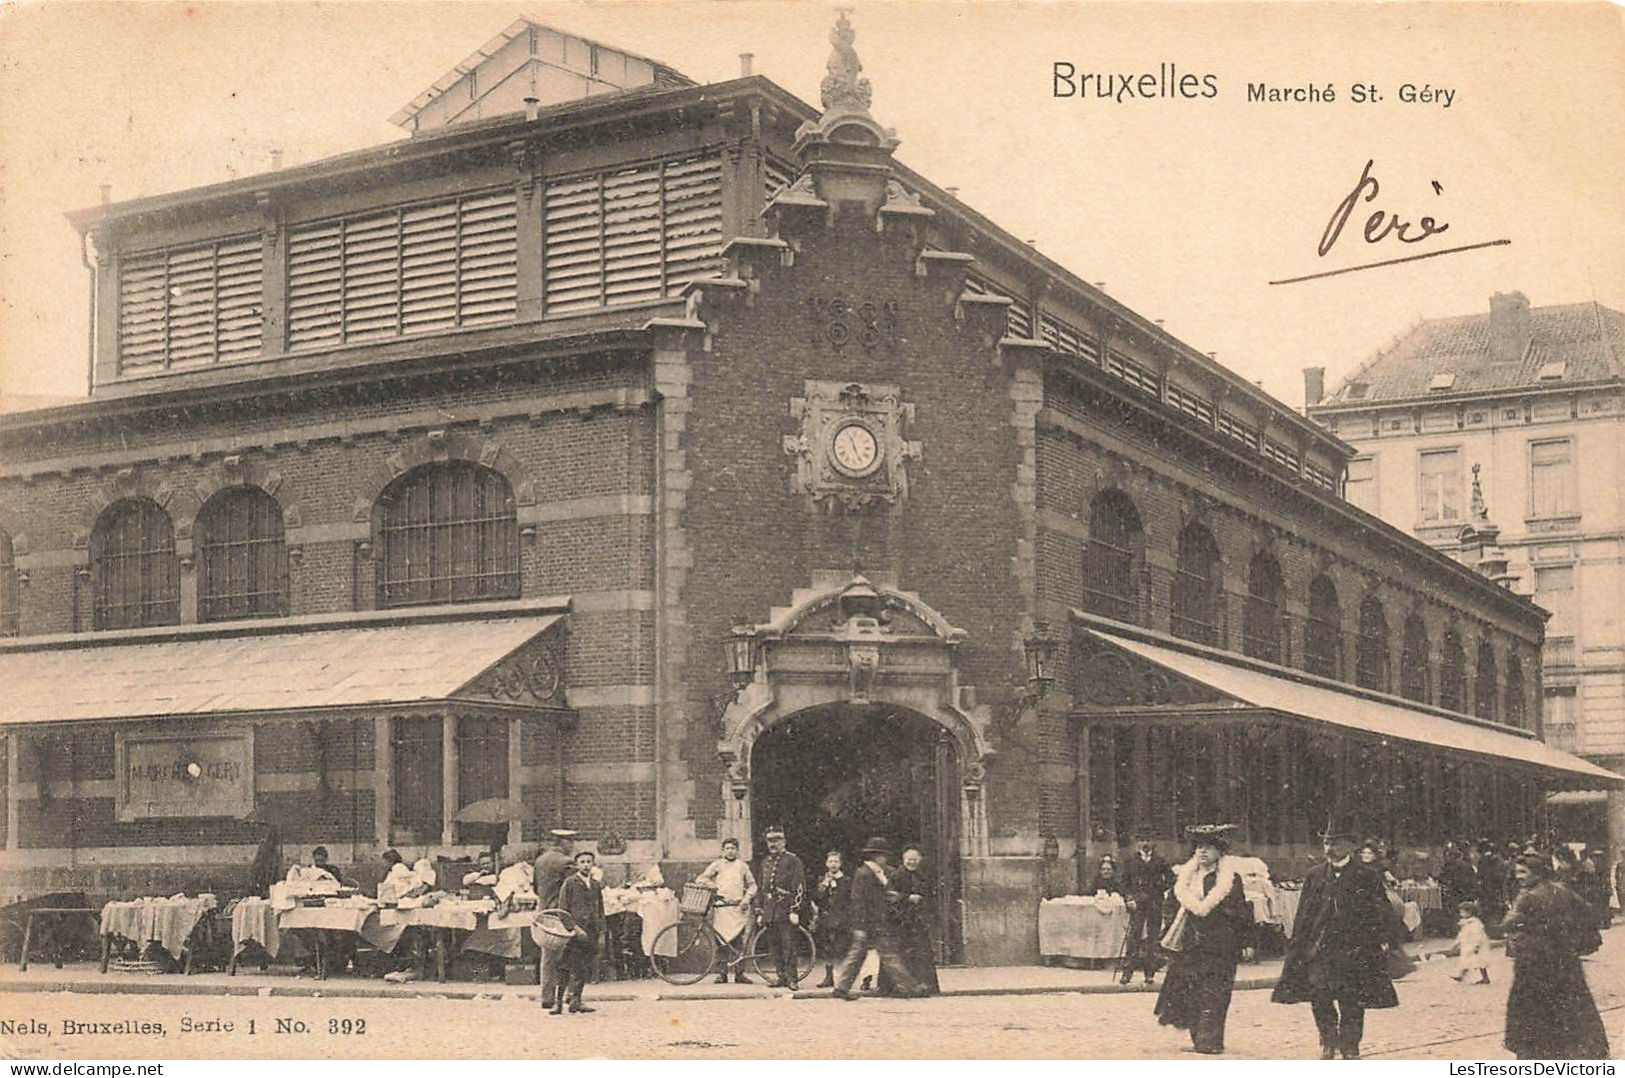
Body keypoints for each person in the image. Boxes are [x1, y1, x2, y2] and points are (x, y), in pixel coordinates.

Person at [1271, 826, 1400, 1060]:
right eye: (1327, 844)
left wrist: (1381, 940)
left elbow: (1381, 911)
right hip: (1320, 950)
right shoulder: (1315, 874)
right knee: (1320, 995)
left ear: (1350, 846)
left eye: (1336, 844)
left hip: (1355, 950)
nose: (1330, 849)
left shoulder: (1367, 875)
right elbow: (1304, 913)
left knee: (1351, 1000)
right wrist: (1297, 944)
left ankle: (1350, 1045)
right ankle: (1328, 1041)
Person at [1153, 824, 1253, 1055]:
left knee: (1216, 993)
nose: (1202, 852)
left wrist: (1246, 942)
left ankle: (1211, 1041)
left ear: (1220, 852)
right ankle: (1199, 1038)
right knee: (1192, 992)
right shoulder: (1185, 879)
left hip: (1220, 946)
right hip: (1190, 945)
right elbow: (1171, 907)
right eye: (1198, 847)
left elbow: (1242, 912)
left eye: (1208, 848)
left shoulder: (1228, 880)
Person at [1502, 851, 1609, 1059]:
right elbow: (1589, 914)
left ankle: (1540, 1055)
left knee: (1535, 1011)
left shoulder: (1528, 897)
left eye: (1523, 872)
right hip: (1565, 961)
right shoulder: (1564, 891)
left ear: (1537, 873)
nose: (1519, 876)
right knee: (1570, 1006)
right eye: (1517, 872)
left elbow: (1508, 924)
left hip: (1534, 964)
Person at [832, 836, 925, 1000]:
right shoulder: (864, 874)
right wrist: (860, 927)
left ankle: (841, 987)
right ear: (876, 856)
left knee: (860, 956)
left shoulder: (881, 872)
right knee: (887, 956)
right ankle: (911, 987)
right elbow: (858, 901)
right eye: (883, 856)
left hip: (876, 922)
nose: (886, 859)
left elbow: (887, 894)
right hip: (869, 923)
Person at [695, 836, 758, 984]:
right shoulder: (717, 865)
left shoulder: (743, 866)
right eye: (727, 848)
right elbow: (701, 879)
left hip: (737, 908)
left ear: (737, 851)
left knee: (738, 941)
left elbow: (753, 885)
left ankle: (739, 974)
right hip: (722, 909)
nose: (730, 851)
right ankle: (722, 974)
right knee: (721, 942)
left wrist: (746, 898)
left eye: (733, 848)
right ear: (723, 850)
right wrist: (712, 885)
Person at [754, 826, 807, 990]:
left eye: (776, 840)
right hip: (770, 910)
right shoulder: (765, 862)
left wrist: (794, 909)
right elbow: (762, 888)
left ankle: (792, 979)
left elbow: (799, 886)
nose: (773, 844)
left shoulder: (793, 860)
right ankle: (781, 977)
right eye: (770, 840)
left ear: (784, 841)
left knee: (789, 945)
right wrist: (760, 910)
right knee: (774, 945)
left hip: (785, 908)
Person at [555, 849, 605, 1015]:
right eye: (582, 862)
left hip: (591, 931)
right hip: (574, 933)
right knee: (565, 966)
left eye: (588, 862)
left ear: (593, 864)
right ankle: (558, 1003)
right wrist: (574, 928)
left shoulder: (596, 884)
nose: (585, 865)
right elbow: (562, 909)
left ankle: (576, 1000)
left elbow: (600, 909)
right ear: (577, 865)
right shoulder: (570, 883)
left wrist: (601, 931)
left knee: (583, 967)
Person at [1121, 832, 1174, 985]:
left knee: (1152, 939)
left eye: (1148, 840)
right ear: (1137, 842)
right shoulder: (1131, 861)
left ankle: (1149, 973)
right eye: (1142, 839)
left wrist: (1158, 889)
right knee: (1133, 938)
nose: (1145, 843)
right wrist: (1129, 899)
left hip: (1154, 904)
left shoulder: (1160, 861)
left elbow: (1171, 879)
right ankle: (1127, 973)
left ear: (1154, 843)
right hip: (1137, 904)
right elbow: (1124, 883)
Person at [533, 828, 577, 1010]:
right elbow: (572, 890)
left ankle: (547, 997)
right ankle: (569, 995)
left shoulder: (540, 860)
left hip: (544, 911)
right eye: (571, 842)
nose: (573, 846)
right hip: (561, 913)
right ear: (563, 843)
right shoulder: (566, 862)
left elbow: (535, 888)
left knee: (548, 956)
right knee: (570, 954)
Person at [886, 846, 939, 996]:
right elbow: (889, 896)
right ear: (904, 860)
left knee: (921, 954)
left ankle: (923, 986)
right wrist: (907, 898)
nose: (912, 862)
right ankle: (901, 987)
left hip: (918, 920)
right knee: (903, 954)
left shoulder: (922, 875)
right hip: (902, 921)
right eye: (909, 859)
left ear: (920, 860)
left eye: (915, 859)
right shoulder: (896, 876)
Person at [812, 850, 851, 989]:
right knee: (827, 949)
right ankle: (829, 977)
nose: (833, 864)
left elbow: (848, 901)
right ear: (826, 863)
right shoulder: (822, 880)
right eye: (830, 861)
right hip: (826, 919)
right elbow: (816, 899)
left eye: (836, 861)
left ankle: (841, 978)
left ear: (841, 863)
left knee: (840, 949)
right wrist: (823, 887)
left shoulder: (846, 881)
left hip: (841, 920)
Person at [1450, 901, 1490, 985]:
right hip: (1468, 944)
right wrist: (1457, 943)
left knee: (1478, 962)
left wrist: (1476, 946)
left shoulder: (1475, 923)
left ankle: (1483, 978)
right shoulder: (1466, 923)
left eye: (1462, 911)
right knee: (1468, 961)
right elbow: (1462, 934)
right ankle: (1461, 975)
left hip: (1475, 945)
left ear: (1469, 912)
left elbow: (1478, 935)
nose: (1461, 913)